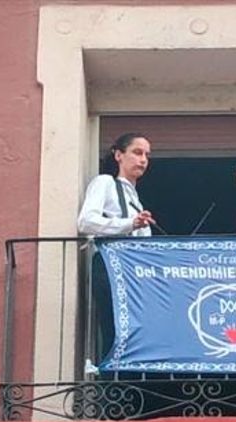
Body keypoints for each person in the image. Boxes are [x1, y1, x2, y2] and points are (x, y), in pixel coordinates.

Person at [78, 133, 156, 388]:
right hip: (112, 269)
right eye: (137, 152)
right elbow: (86, 222)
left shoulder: (135, 197)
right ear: (118, 155)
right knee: (115, 333)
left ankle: (127, 392)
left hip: (133, 274)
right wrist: (129, 223)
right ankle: (112, 391)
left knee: (133, 336)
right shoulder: (105, 183)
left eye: (147, 155)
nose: (143, 159)